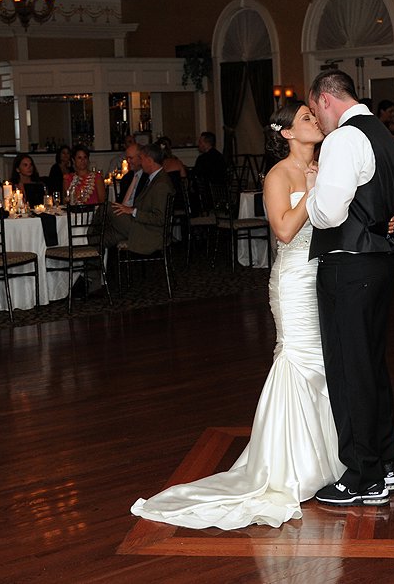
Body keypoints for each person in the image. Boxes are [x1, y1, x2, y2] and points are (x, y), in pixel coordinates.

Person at [131, 103, 344, 529]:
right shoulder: (279, 175)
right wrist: (316, 191)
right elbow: (283, 230)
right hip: (294, 280)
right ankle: (291, 467)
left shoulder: (326, 164)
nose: (315, 121)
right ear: (285, 133)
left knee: (327, 363)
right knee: (300, 360)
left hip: (327, 276)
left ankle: (329, 460)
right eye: (305, 117)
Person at [305, 69, 394, 507]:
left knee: (349, 369)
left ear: (327, 99)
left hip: (349, 266)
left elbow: (328, 212)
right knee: (372, 366)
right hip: (379, 261)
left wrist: (311, 189)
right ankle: (382, 462)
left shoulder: (343, 139)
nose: (318, 122)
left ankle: (362, 476)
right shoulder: (382, 131)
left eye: (316, 111)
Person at [104, 143, 174, 255]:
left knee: (107, 207)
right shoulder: (154, 179)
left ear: (150, 161)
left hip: (149, 231)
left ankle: (88, 236)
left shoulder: (161, 184)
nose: (140, 162)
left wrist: (133, 211)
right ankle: (90, 243)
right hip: (141, 225)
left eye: (141, 159)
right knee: (105, 237)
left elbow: (161, 218)